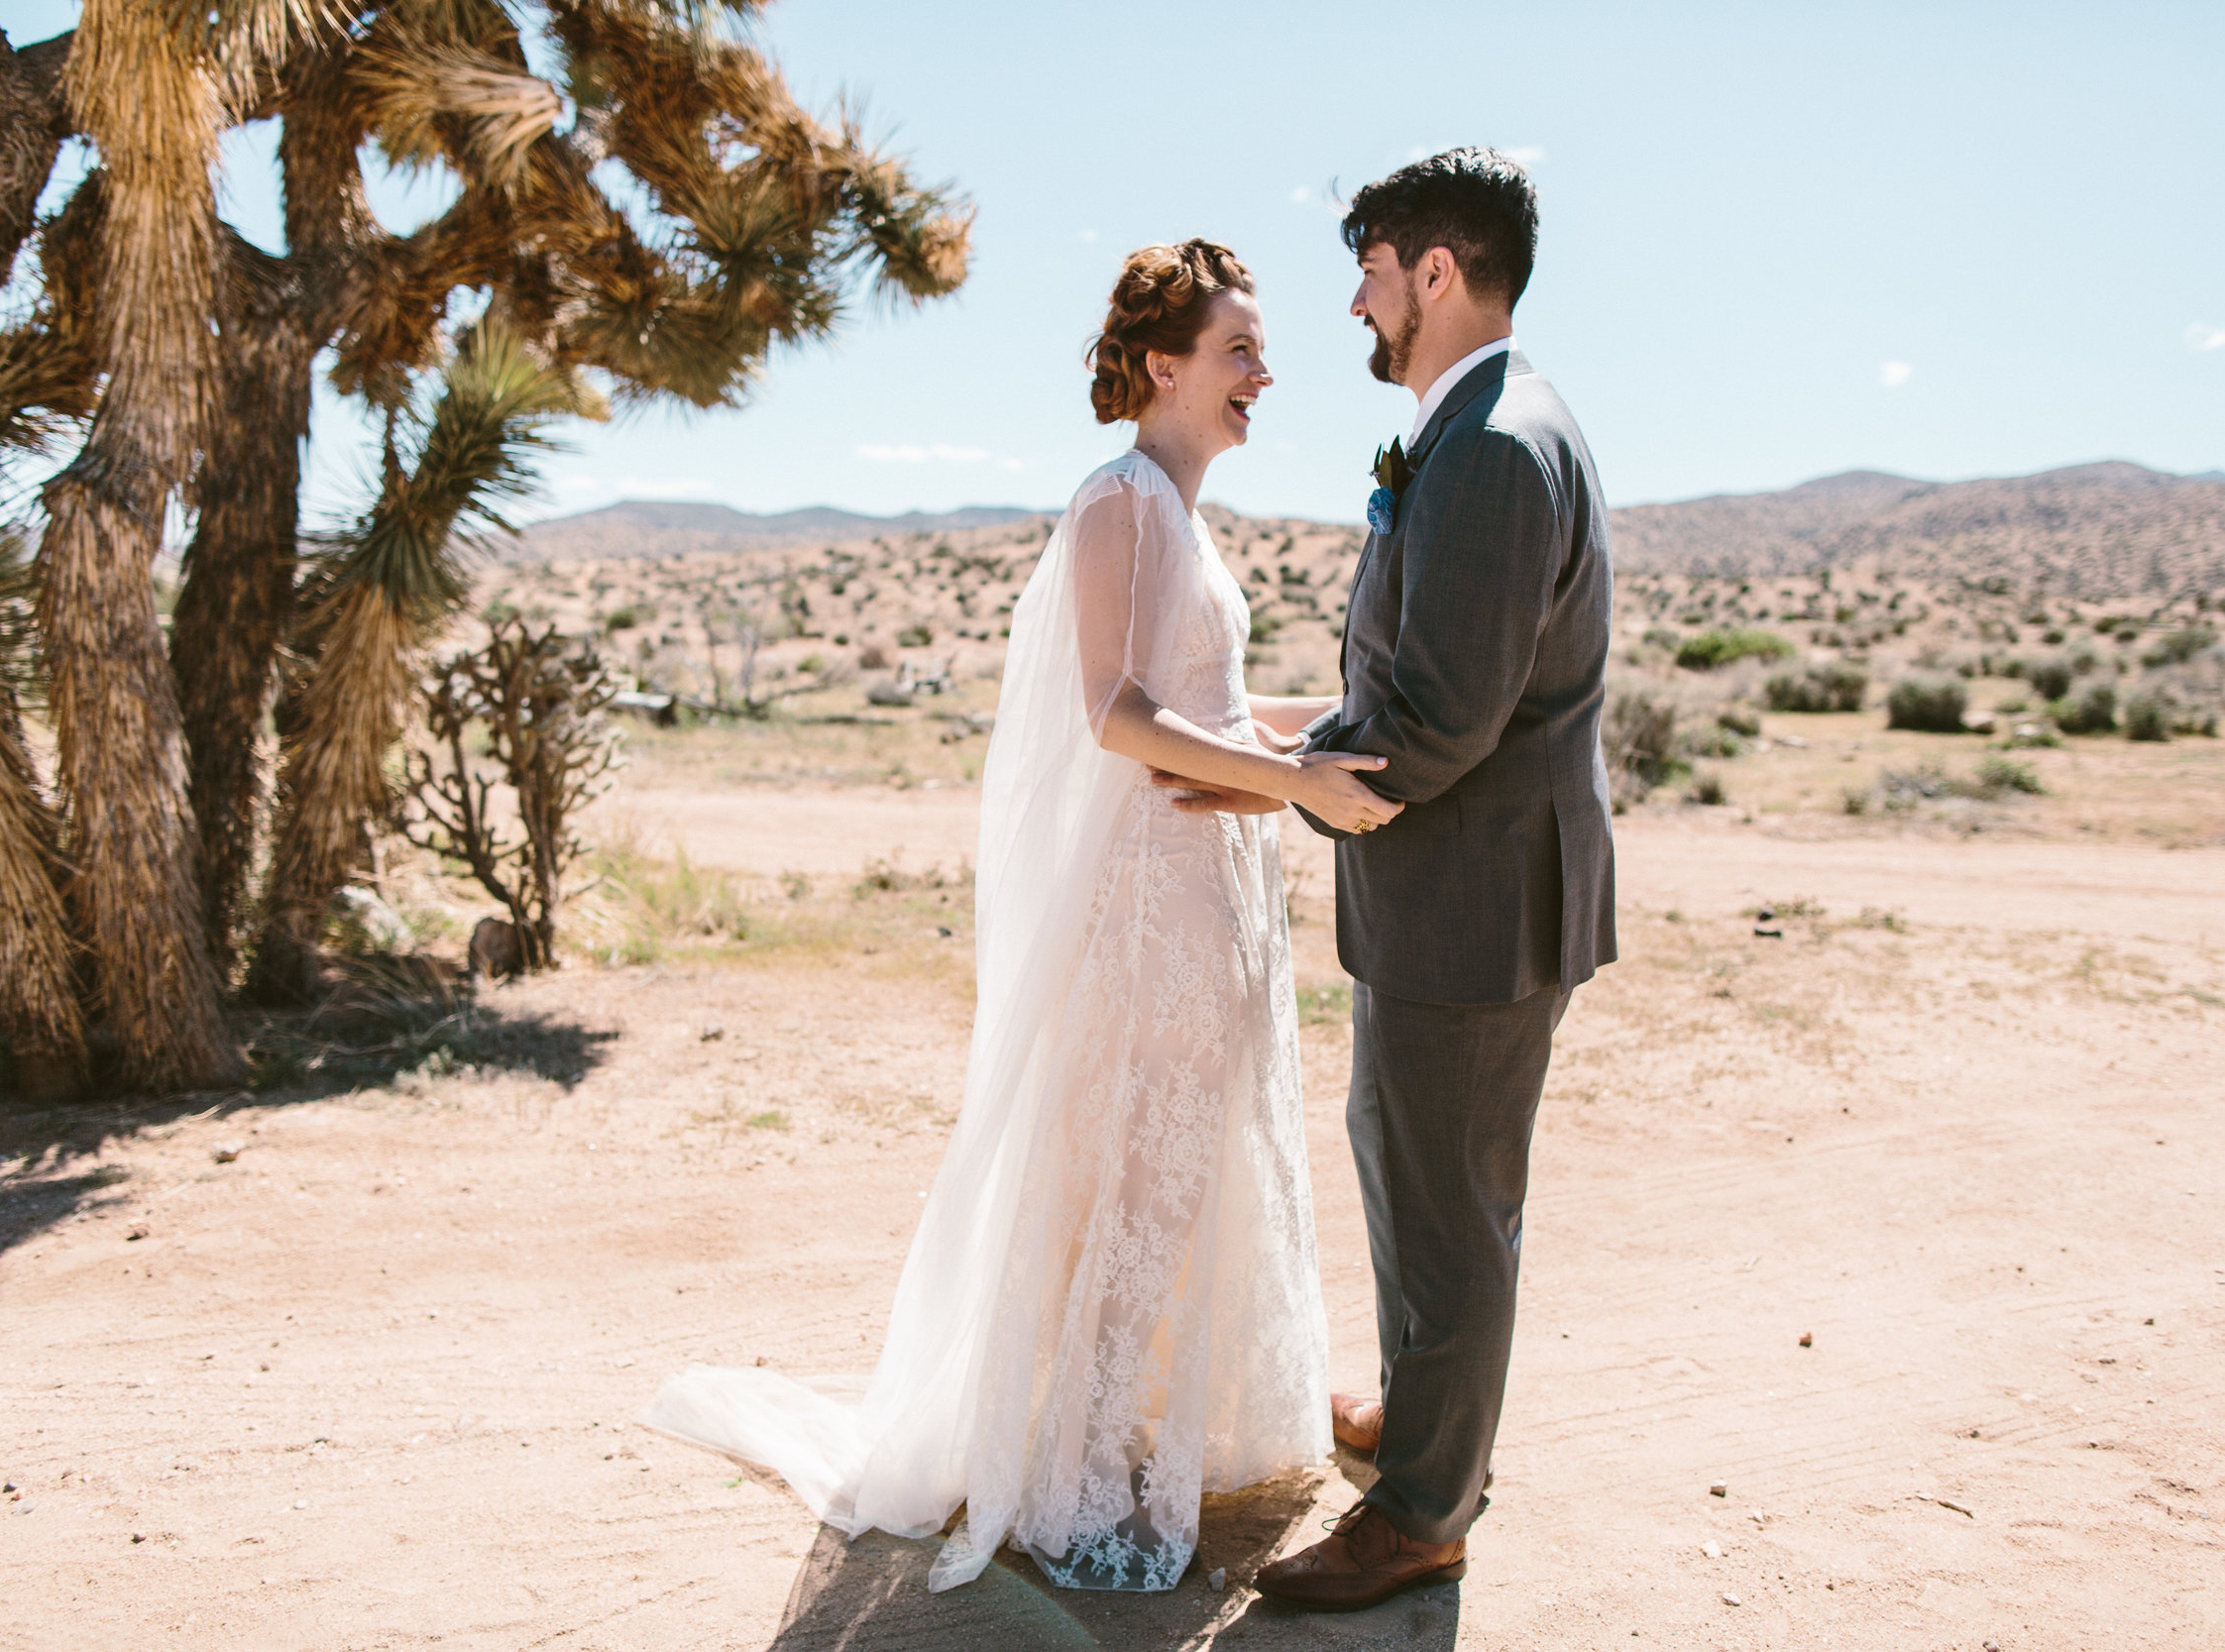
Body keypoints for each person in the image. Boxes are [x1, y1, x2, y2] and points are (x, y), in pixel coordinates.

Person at [643, 239, 1400, 1594]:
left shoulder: (1183, 514)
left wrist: (1342, 732)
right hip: (1145, 913)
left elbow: (1206, 719)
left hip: (1207, 893)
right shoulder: (1117, 503)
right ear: (1162, 363)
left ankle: (1144, 1435)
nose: (1263, 375)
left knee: (1175, 1182)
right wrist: (1293, 778)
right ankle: (1084, 1469)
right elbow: (1119, 717)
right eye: (1239, 351)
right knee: (1124, 1183)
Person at [1167, 149, 1618, 1612]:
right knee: (1414, 1171)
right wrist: (1270, 736)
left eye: (1369, 269)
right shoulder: (1479, 426)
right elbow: (1411, 681)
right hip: (1455, 901)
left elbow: (1435, 725)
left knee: (1449, 1203)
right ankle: (1423, 1425)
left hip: (1476, 908)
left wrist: (1271, 775)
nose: (1355, 300)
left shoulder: (1492, 445)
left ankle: (1424, 1511)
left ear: (1435, 272)